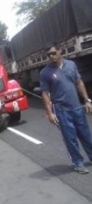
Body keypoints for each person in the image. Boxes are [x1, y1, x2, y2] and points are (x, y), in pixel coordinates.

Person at [39, 42, 92, 174]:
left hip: (77, 107)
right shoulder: (45, 72)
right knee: (70, 138)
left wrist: (87, 100)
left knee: (86, 135)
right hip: (62, 111)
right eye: (49, 55)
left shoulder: (71, 65)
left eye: (53, 53)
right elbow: (45, 94)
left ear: (60, 51)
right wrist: (50, 113)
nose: (51, 56)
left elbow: (79, 82)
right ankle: (78, 163)